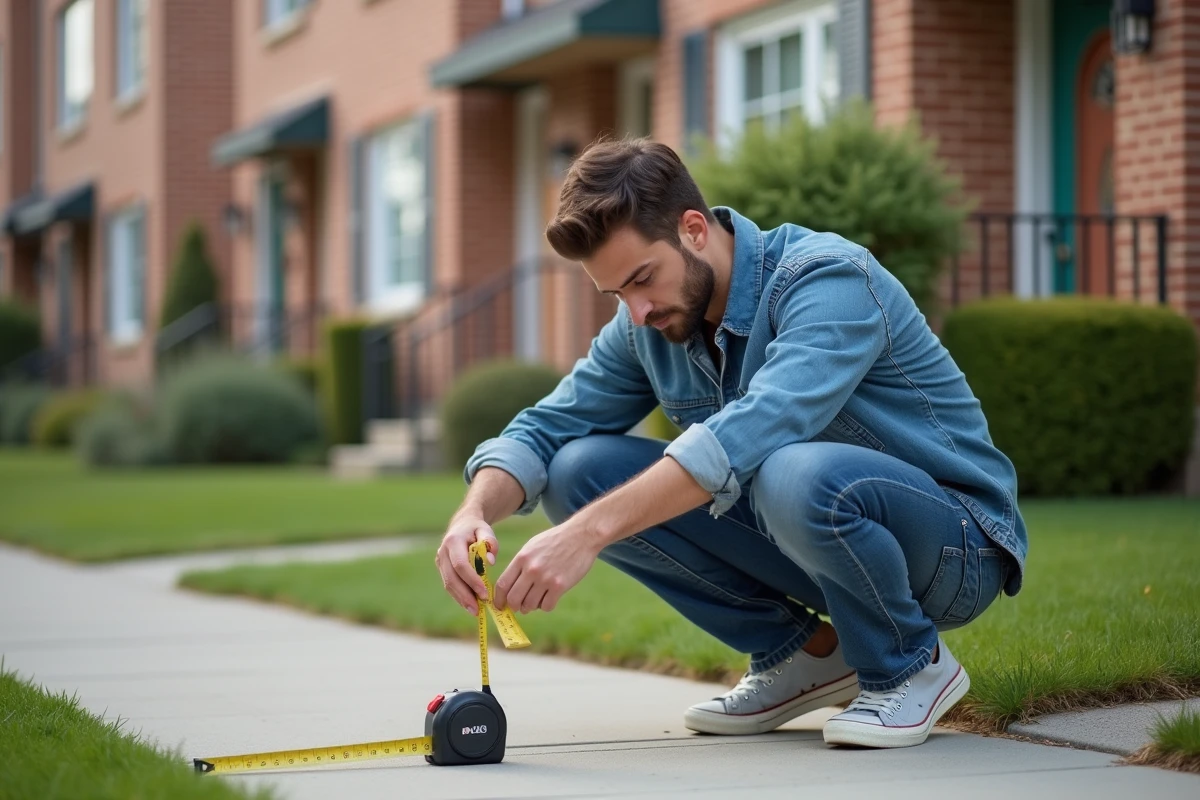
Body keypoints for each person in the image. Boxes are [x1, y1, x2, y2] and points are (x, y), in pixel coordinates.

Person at [435, 136, 1026, 749]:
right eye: (617, 295)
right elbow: (546, 427)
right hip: (811, 534)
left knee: (788, 469)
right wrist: (473, 511)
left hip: (955, 549)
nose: (636, 312)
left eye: (642, 280)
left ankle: (909, 663)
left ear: (693, 229)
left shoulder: (827, 278)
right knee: (577, 470)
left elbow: (755, 429)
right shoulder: (646, 326)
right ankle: (805, 655)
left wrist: (585, 534)